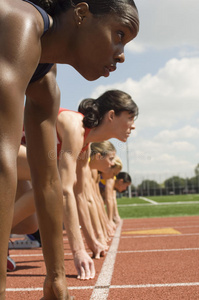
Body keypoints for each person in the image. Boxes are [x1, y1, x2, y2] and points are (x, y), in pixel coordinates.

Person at [0, 0, 139, 298]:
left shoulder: (45, 80)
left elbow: (49, 180)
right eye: (119, 34)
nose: (122, 55)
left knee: (30, 220)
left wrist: (56, 279)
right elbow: (3, 159)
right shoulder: (19, 22)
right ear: (81, 14)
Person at [11, 89, 138, 278]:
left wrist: (91, 242)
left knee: (30, 225)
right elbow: (64, 190)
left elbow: (79, 195)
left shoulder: (84, 147)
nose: (133, 126)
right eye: (130, 118)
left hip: (14, 156)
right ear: (112, 115)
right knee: (51, 178)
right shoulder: (74, 127)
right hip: (7, 146)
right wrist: (78, 251)